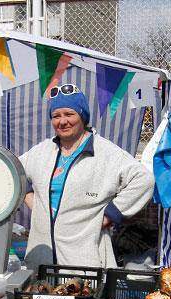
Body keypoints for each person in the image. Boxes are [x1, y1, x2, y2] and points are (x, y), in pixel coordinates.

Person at [19, 84, 154, 270]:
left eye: (69, 114)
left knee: (81, 296)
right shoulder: (42, 151)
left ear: (82, 116)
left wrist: (110, 215)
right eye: (56, 116)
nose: (62, 121)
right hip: (41, 257)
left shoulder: (105, 153)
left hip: (83, 258)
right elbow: (12, 170)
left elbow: (144, 180)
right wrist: (31, 199)